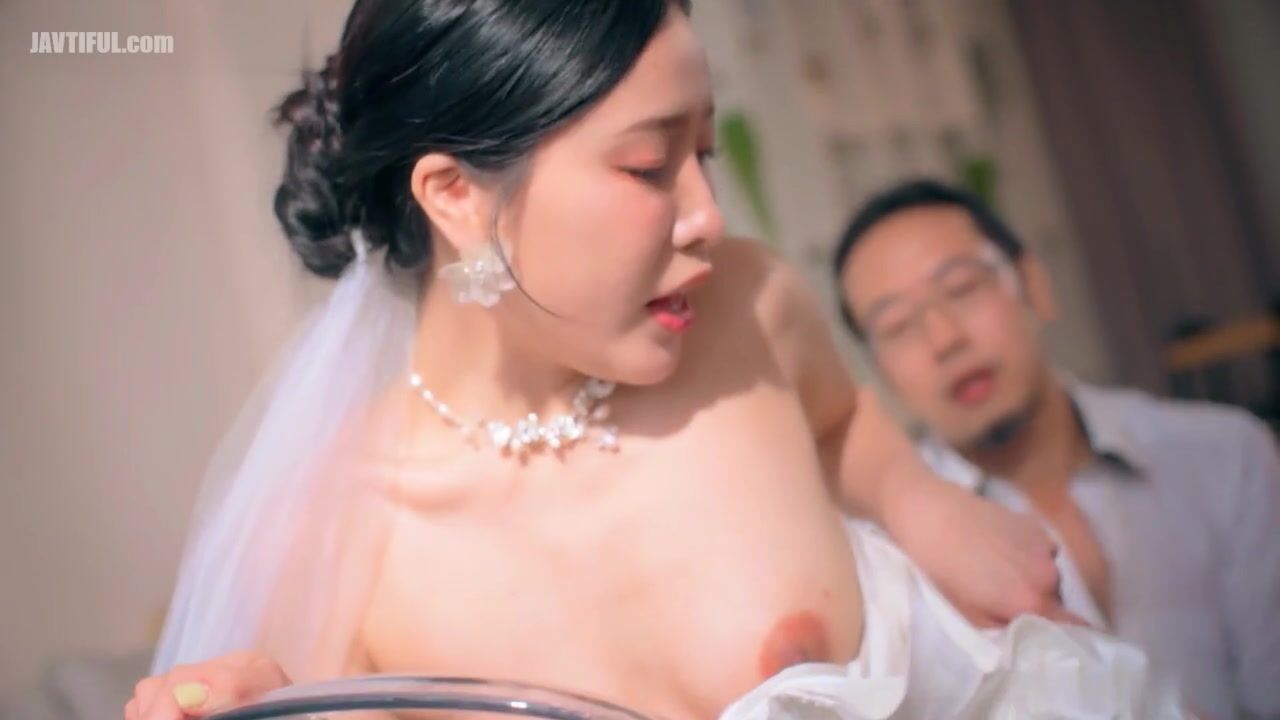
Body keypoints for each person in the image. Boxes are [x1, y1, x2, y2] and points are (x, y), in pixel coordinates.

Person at [126, 4, 1189, 719]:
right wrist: (260, 701)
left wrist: (917, 498)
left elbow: (836, 418)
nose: (708, 216)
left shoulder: (748, 309)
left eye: (704, 152)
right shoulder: (330, 531)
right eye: (646, 167)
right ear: (455, 196)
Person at [833, 178, 1280, 720]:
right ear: (880, 371)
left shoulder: (1225, 454)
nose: (944, 338)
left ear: (1034, 285)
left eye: (962, 288)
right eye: (898, 325)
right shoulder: (892, 563)